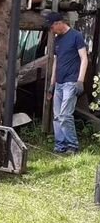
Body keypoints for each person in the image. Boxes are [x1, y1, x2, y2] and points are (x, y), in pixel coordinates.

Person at [46, 12, 88, 155]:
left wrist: (80, 81)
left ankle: (72, 146)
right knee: (57, 116)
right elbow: (56, 62)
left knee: (65, 115)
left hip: (71, 82)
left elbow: (84, 58)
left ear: (59, 23)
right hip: (59, 83)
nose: (52, 31)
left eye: (52, 27)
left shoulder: (76, 36)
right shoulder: (58, 40)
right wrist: (52, 84)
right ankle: (60, 146)